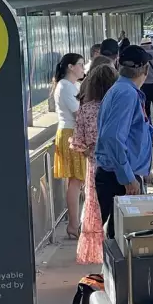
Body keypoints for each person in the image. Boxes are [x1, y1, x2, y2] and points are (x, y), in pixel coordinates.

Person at [94, 45, 153, 239]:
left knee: (119, 234)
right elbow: (112, 137)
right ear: (145, 70)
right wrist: (128, 177)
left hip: (120, 172)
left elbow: (137, 132)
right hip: (119, 175)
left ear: (119, 65)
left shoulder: (121, 90)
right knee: (124, 236)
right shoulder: (126, 94)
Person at [70, 64, 118, 264]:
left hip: (94, 164)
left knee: (96, 208)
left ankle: (97, 252)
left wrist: (90, 150)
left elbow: (77, 141)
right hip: (117, 162)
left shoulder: (86, 109)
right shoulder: (116, 106)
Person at [51, 53, 87, 240]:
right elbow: (78, 113)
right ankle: (73, 224)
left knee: (77, 181)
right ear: (71, 67)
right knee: (75, 181)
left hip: (72, 133)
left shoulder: (72, 85)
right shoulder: (65, 86)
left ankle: (76, 223)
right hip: (70, 134)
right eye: (80, 65)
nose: (83, 68)